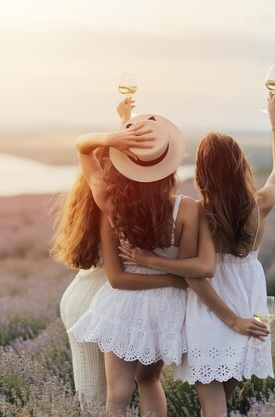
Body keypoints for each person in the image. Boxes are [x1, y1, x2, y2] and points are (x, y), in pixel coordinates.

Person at [119, 92, 275, 417]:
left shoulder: (203, 212)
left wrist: (150, 260)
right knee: (219, 401)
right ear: (240, 164)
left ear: (202, 172)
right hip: (249, 305)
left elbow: (197, 276)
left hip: (214, 313)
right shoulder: (260, 203)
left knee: (212, 406)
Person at [55, 98, 184, 406]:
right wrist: (175, 279)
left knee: (101, 399)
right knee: (140, 383)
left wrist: (116, 135)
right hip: (119, 303)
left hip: (103, 302)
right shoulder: (179, 209)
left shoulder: (110, 203)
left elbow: (83, 147)